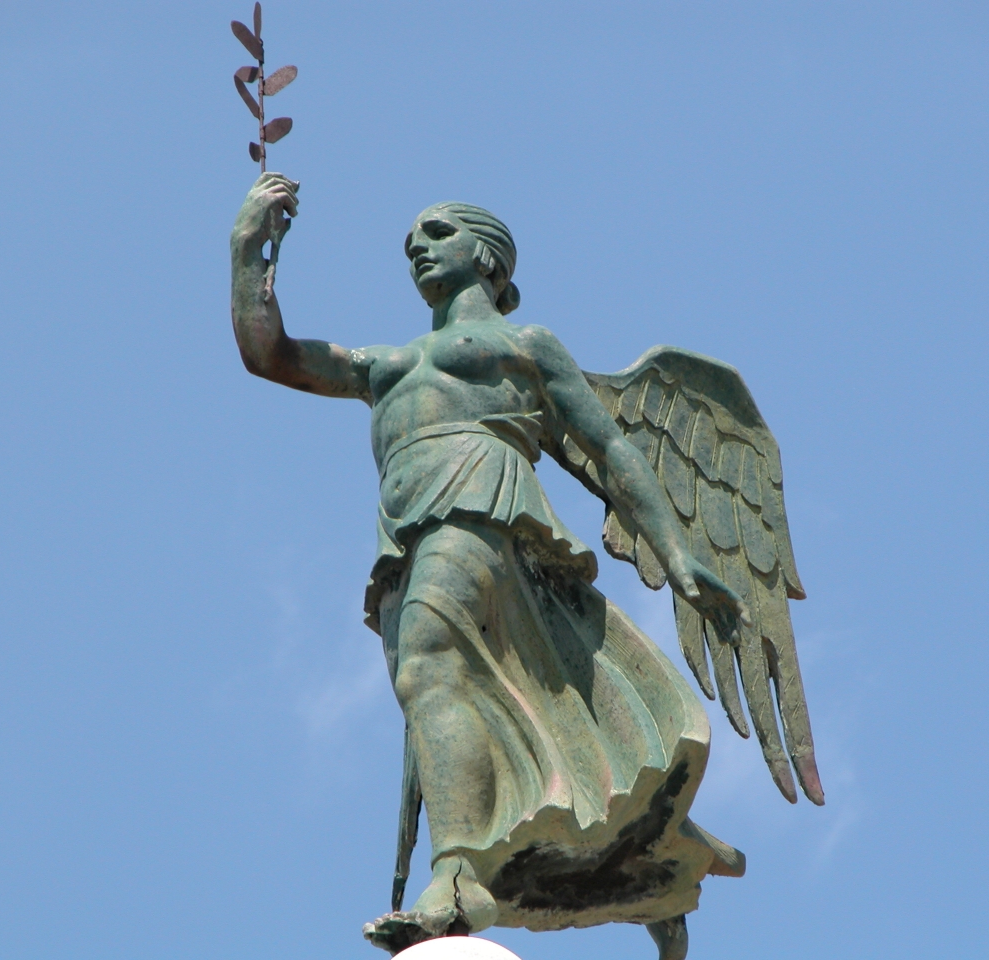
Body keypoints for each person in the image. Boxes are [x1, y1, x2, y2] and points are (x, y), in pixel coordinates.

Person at [230, 174, 751, 957]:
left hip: (482, 507)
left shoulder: (522, 345)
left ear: (491, 261)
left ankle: (457, 876)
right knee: (454, 695)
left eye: (436, 234)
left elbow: (611, 448)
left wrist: (676, 554)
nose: (418, 251)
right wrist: (249, 248)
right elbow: (268, 353)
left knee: (431, 674)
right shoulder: (387, 364)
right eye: (410, 245)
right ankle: (641, 864)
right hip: (407, 535)